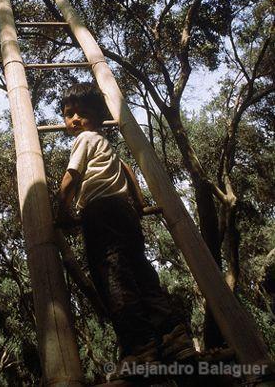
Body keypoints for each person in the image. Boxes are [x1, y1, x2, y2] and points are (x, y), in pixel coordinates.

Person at [56, 82, 196, 367]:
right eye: (68, 114)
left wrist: (62, 210)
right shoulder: (106, 147)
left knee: (112, 274)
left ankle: (142, 348)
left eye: (81, 113)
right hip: (124, 212)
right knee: (140, 270)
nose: (74, 120)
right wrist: (140, 204)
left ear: (97, 118)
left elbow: (71, 176)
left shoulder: (83, 140)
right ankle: (173, 338)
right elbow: (128, 171)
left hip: (99, 212)